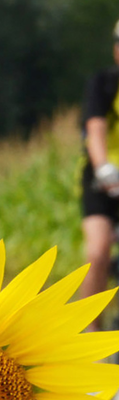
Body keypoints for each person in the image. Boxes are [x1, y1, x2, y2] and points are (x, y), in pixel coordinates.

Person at [79, 19, 119, 328]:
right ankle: (89, 334)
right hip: (104, 180)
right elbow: (95, 128)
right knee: (97, 251)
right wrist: (104, 166)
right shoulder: (103, 83)